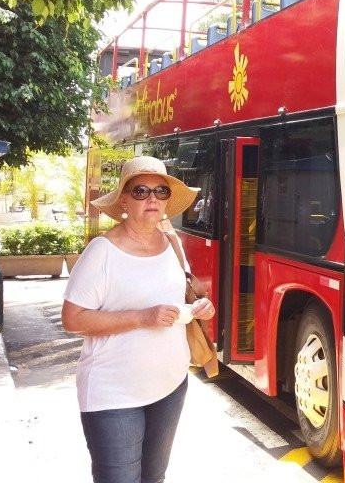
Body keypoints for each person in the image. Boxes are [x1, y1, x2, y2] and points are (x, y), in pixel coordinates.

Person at [61, 156, 216, 483]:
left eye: (161, 191)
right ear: (124, 201)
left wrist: (201, 307)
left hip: (170, 386)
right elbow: (72, 319)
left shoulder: (172, 243)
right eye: (141, 191)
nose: (152, 198)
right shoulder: (102, 251)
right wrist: (143, 317)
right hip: (113, 394)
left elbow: (184, 295)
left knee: (154, 478)